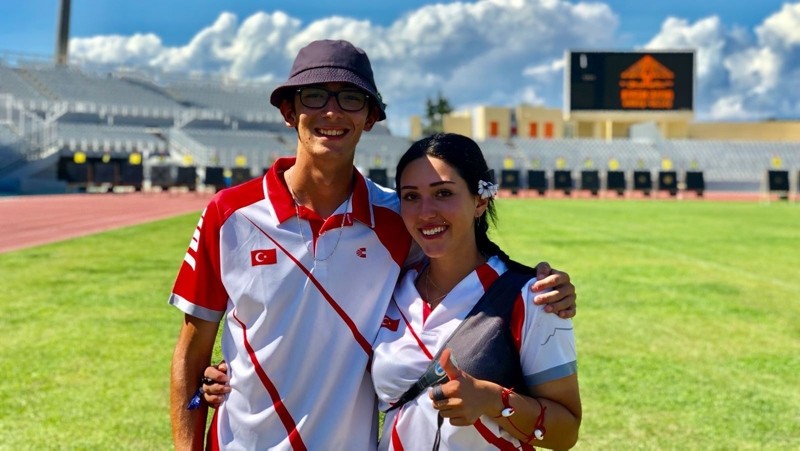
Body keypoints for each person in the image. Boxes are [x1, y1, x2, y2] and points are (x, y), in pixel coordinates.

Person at [169, 39, 577, 450]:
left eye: (350, 98)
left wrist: (546, 284)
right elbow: (192, 348)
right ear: (289, 111)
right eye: (314, 96)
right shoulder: (230, 213)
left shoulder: (398, 219)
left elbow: (466, 263)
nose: (332, 111)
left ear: (370, 117)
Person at [370, 133, 581, 449]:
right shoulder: (390, 286)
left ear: (480, 201)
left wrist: (492, 399)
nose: (425, 212)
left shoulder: (532, 297)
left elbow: (566, 432)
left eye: (443, 193)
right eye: (411, 196)